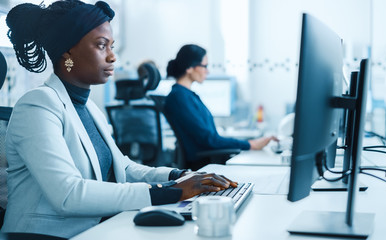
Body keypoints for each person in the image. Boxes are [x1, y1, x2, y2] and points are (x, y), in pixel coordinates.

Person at [1, 1, 236, 238]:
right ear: (67, 52)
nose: (113, 57)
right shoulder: (38, 104)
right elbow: (68, 194)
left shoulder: (90, 109)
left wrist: (178, 176)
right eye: (102, 46)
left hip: (94, 230)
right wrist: (170, 192)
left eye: (111, 46)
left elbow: (123, 167)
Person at [164, 44, 277, 170]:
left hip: (207, 161)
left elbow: (209, 138)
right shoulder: (180, 97)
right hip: (203, 166)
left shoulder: (187, 96)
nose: (207, 71)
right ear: (190, 67)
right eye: (204, 66)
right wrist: (250, 144)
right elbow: (210, 140)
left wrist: (249, 144)